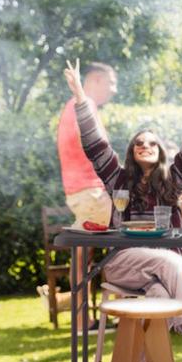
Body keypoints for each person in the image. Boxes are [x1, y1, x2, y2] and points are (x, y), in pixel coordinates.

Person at [63, 61, 182, 362]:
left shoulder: (174, 183)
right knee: (175, 263)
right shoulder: (117, 179)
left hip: (162, 271)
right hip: (124, 263)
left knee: (161, 294)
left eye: (152, 143)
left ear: (162, 153)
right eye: (139, 143)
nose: (145, 146)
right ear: (131, 152)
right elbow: (95, 145)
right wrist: (82, 99)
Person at [55, 59, 118, 331]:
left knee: (83, 256)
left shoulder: (73, 107)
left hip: (80, 192)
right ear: (94, 80)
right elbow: (97, 149)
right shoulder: (84, 106)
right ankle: (126, 312)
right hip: (91, 192)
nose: (114, 90)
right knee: (132, 240)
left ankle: (83, 320)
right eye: (110, 82)